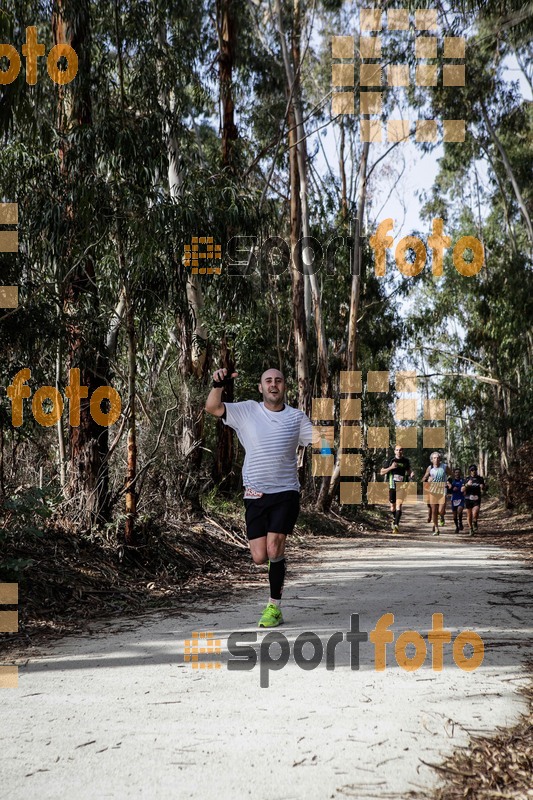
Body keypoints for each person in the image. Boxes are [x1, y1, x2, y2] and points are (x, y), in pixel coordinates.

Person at [205, 366, 313, 628]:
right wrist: (217, 383)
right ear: (260, 387)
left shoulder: (296, 418)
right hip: (254, 494)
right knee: (259, 556)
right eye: (268, 381)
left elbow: (320, 441)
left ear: (284, 386)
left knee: (275, 547)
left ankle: (273, 607)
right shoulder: (247, 411)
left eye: (278, 380)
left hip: (286, 492)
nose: (273, 385)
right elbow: (212, 407)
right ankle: (275, 574)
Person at [380, 446, 415, 533]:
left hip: (401, 486)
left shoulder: (406, 461)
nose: (399, 451)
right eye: (397, 450)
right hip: (392, 485)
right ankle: (394, 518)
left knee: (399, 505)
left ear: (402, 451)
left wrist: (411, 474)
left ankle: (396, 525)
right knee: (392, 507)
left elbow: (409, 470)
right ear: (394, 451)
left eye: (400, 450)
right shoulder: (390, 460)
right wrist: (391, 467)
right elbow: (381, 472)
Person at [422, 452, 451, 535]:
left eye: (438, 457)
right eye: (434, 458)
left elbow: (452, 475)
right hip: (432, 491)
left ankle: (441, 516)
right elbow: (423, 479)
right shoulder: (429, 468)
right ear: (431, 460)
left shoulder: (444, 467)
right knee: (434, 511)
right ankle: (436, 528)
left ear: (440, 459)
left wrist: (449, 482)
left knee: (441, 511)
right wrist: (427, 480)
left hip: (442, 490)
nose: (436, 459)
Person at [462, 464, 487, 536]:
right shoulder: (467, 479)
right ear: (470, 471)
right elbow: (462, 489)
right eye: (472, 470)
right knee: (469, 515)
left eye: (475, 470)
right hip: (468, 498)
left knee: (475, 513)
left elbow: (484, 488)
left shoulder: (480, 479)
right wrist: (467, 485)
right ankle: (470, 529)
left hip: (477, 498)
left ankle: (475, 521)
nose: (474, 471)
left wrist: (483, 487)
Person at [447, 468, 465, 533]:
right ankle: (457, 527)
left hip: (461, 498)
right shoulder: (451, 480)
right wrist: (451, 488)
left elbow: (466, 487)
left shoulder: (463, 480)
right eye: (456, 472)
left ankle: (460, 522)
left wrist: (465, 489)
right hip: (454, 499)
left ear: (460, 473)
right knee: (454, 516)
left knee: (460, 511)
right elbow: (448, 488)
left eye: (458, 472)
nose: (457, 474)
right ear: (454, 473)